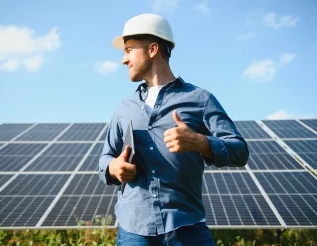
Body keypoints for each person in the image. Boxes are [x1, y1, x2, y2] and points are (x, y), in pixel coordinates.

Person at [99, 13, 249, 246]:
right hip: (133, 232)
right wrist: (113, 167)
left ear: (152, 49)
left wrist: (201, 142)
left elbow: (240, 151)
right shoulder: (122, 109)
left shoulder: (200, 99)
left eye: (128, 50)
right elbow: (106, 158)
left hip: (187, 229)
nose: (123, 60)